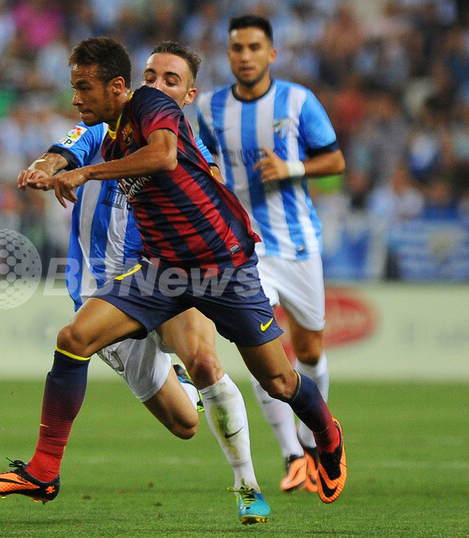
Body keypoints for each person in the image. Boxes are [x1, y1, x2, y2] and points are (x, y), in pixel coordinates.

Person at [0, 37, 346, 509]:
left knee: (278, 381)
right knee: (74, 339)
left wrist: (87, 174)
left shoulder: (152, 106)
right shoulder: (106, 128)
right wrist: (48, 166)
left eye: (83, 88)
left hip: (223, 268)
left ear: (118, 86)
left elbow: (164, 157)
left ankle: (326, 434)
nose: (75, 98)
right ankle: (43, 472)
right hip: (161, 269)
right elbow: (68, 146)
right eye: (152, 75)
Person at [196, 14, 346, 494]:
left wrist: (291, 168)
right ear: (228, 54)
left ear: (271, 53)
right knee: (262, 352)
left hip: (299, 244)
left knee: (310, 350)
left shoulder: (298, 101)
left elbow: (335, 159)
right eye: (237, 48)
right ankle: (291, 454)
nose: (245, 56)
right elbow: (203, 161)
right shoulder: (209, 108)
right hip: (246, 249)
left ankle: (312, 439)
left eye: (254, 47)